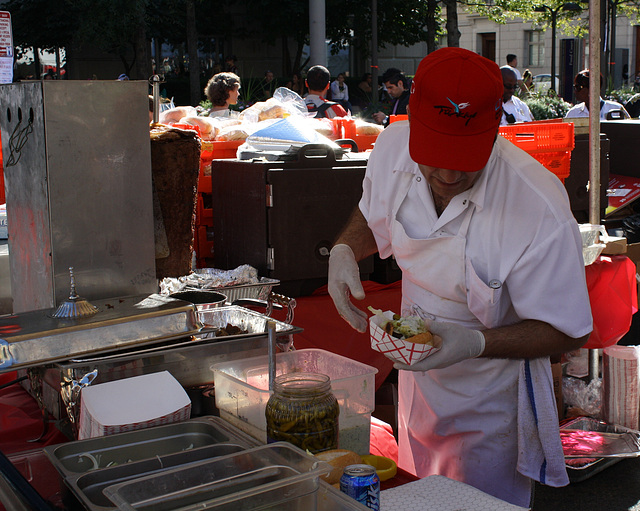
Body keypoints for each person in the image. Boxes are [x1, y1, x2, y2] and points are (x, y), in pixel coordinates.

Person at [327, 47, 592, 507]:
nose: (447, 173)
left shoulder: (537, 205)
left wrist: (474, 343)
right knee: (414, 494)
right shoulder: (392, 147)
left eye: (464, 158)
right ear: (411, 120)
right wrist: (345, 248)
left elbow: (565, 329)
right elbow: (374, 215)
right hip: (417, 382)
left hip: (490, 402)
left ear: (495, 130)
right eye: (434, 155)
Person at [564, 69, 630, 120]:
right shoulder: (573, 113)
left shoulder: (616, 109)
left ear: (592, 88)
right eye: (574, 87)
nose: (575, 92)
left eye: (578, 87)